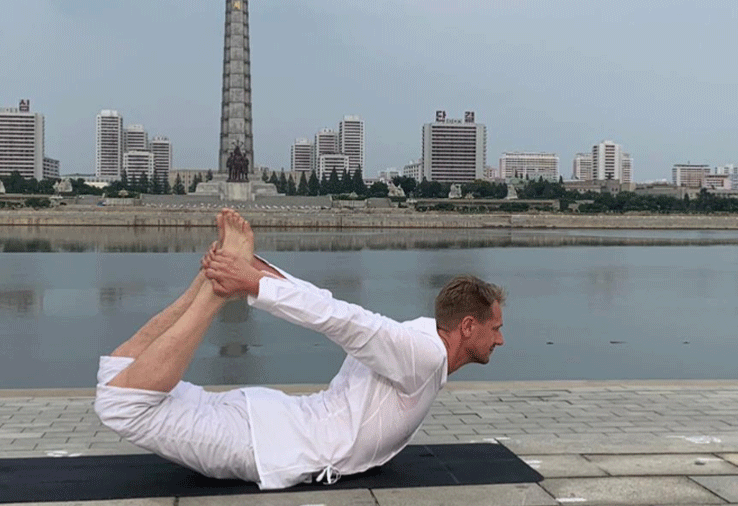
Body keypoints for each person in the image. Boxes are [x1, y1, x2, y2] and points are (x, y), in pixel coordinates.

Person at [94, 208, 505, 490]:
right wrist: (251, 284)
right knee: (121, 404)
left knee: (115, 377)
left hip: (269, 421)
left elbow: (327, 304)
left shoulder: (417, 340)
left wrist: (253, 268)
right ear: (468, 326)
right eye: (496, 328)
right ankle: (214, 294)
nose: (500, 339)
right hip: (271, 445)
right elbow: (340, 318)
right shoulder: (426, 354)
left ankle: (208, 282)